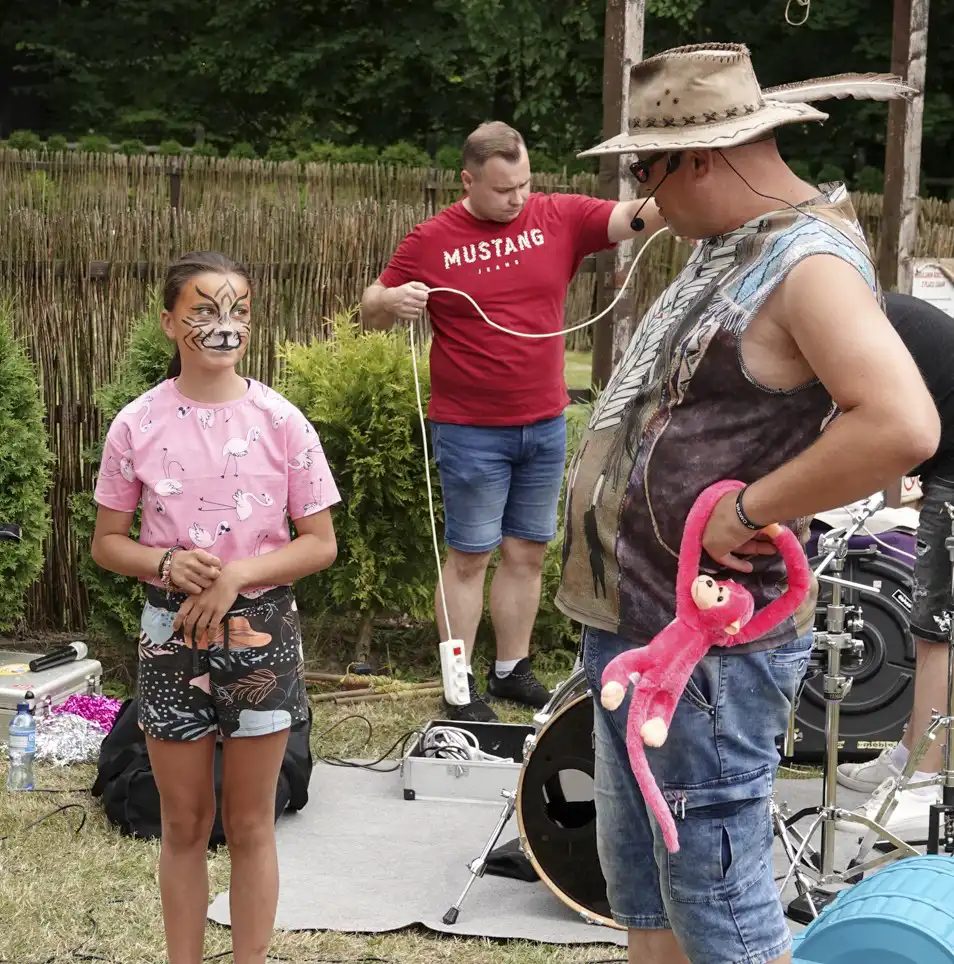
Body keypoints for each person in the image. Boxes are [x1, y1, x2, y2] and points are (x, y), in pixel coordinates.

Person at [556, 44, 939, 964]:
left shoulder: (808, 263)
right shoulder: (736, 242)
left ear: (705, 156)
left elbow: (901, 423)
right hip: (637, 628)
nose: (642, 196)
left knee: (722, 918)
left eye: (648, 169)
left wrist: (752, 508)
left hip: (710, 656)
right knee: (646, 894)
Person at [360, 120, 663, 721]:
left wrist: (686, 180)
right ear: (468, 180)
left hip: (545, 424)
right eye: (502, 190)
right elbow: (371, 307)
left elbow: (637, 216)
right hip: (470, 428)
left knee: (528, 552)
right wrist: (391, 303)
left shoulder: (558, 216)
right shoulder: (433, 240)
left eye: (524, 183)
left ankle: (510, 671)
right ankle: (459, 683)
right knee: (470, 556)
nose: (517, 198)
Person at [91, 251, 340, 964]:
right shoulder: (136, 425)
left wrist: (237, 576)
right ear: (170, 322)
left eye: (235, 312)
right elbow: (108, 543)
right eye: (203, 311)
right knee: (183, 824)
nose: (221, 326)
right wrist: (165, 561)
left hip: (262, 635)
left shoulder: (281, 421)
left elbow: (319, 542)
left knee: (252, 822)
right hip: (170, 638)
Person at [836, 290, 954, 838]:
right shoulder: (849, 309)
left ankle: (924, 784)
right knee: (930, 622)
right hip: (944, 455)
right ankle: (912, 751)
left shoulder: (842, 321)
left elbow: (873, 430)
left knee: (942, 626)